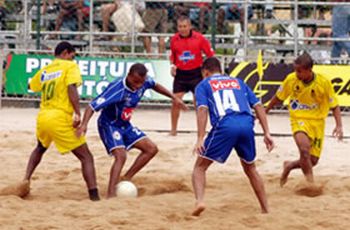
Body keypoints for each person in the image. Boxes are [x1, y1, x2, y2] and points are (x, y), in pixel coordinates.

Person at [76, 63, 188, 198]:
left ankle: (126, 178)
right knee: (121, 155)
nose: (138, 86)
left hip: (125, 125)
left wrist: (174, 98)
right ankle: (111, 195)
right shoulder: (117, 89)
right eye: (135, 82)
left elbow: (155, 85)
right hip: (109, 125)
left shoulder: (144, 82)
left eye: (141, 82)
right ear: (128, 75)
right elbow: (91, 106)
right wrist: (84, 124)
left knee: (151, 149)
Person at [192, 57, 274, 216]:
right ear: (220, 69)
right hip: (246, 124)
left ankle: (200, 201)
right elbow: (258, 105)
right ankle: (265, 209)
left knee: (199, 168)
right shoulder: (238, 82)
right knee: (251, 169)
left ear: (205, 72)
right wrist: (267, 132)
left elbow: (202, 109)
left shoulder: (203, 85)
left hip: (225, 125)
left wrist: (200, 137)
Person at [24, 41, 100, 201]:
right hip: (59, 117)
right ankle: (94, 196)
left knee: (39, 148)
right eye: (72, 56)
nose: (73, 59)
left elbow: (31, 85)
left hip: (43, 117)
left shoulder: (46, 69)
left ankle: (25, 180)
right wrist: (78, 113)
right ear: (66, 53)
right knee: (86, 157)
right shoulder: (69, 66)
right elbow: (71, 88)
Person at [265, 52, 343, 187]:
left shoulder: (323, 83)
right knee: (304, 150)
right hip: (299, 119)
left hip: (318, 123)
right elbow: (278, 97)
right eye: (295, 70)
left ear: (309, 70)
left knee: (312, 161)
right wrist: (265, 111)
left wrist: (339, 125)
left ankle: (289, 165)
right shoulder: (291, 79)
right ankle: (310, 184)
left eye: (299, 71)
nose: (296, 73)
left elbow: (334, 106)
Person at [169, 15, 214, 136]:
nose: (182, 29)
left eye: (185, 26)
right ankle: (173, 130)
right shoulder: (174, 40)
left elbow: (210, 54)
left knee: (199, 103)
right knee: (175, 101)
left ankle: (201, 130)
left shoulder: (199, 38)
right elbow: (173, 55)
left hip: (196, 73)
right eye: (180, 26)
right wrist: (172, 66)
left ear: (190, 26)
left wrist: (208, 71)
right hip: (181, 74)